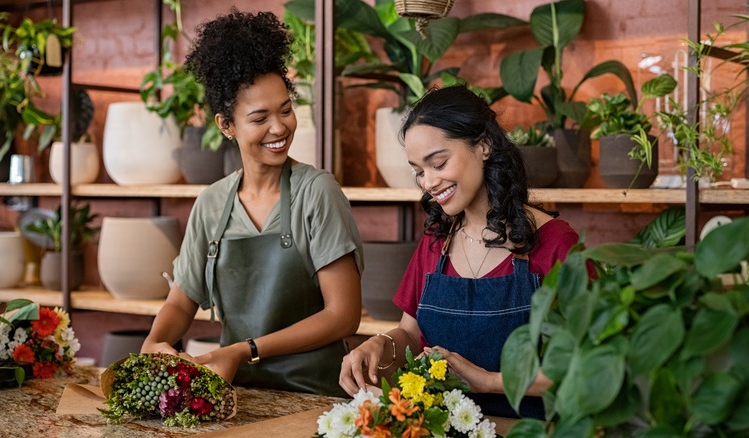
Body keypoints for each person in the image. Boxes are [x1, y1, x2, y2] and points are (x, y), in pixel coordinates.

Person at [141, 9, 363, 398]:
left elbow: (343, 316)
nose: (279, 128)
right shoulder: (211, 204)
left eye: (285, 110)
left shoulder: (317, 192)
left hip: (314, 395)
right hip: (239, 395)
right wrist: (153, 345)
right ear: (226, 125)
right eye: (259, 118)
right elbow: (181, 302)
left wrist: (244, 351)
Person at [339, 85, 580, 418]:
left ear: (483, 145)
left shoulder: (555, 244)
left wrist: (489, 381)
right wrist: (381, 344)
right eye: (419, 171)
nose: (429, 182)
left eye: (438, 163)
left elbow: (584, 366)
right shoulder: (437, 241)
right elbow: (410, 332)